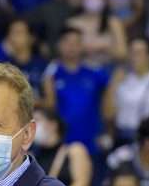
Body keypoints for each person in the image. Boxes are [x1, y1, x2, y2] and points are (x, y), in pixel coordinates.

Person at [42, 27, 109, 155]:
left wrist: (107, 132)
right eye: (67, 43)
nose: (72, 47)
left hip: (92, 139)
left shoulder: (96, 73)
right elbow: (50, 105)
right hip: (62, 142)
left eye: (76, 43)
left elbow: (108, 105)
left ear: (82, 46)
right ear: (59, 45)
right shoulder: (51, 73)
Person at [32, 108, 92, 186]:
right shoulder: (31, 157)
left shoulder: (75, 150)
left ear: (53, 125)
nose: (32, 126)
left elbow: (82, 185)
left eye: (37, 120)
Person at [67, 0, 128, 68]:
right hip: (81, 70)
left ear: (105, 0)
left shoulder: (113, 22)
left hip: (108, 69)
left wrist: (103, 48)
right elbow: (67, 53)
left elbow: (123, 53)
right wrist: (86, 49)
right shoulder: (72, 23)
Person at [0, 18, 47, 96]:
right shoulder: (3, 68)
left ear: (31, 38)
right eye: (11, 33)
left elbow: (50, 103)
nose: (13, 37)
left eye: (18, 33)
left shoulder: (44, 65)